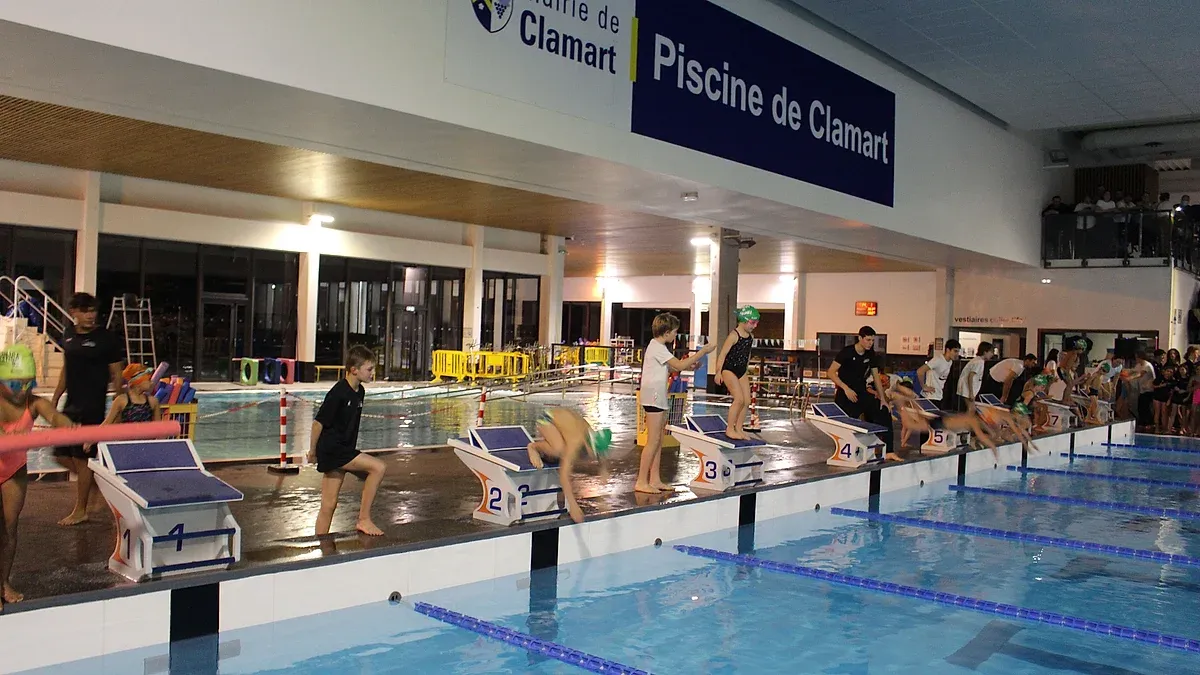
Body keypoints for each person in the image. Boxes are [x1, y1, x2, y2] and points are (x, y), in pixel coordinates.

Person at [0, 345, 75, 611]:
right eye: (14, 383)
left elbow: (54, 415)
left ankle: (4, 582)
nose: (22, 390)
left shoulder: (34, 402)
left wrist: (70, 428)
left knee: (9, 529)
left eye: (28, 383)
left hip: (14, 470)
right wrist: (10, 437)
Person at [51, 292, 123, 526]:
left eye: (93, 310)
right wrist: (54, 399)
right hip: (71, 404)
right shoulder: (68, 334)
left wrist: (119, 404)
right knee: (60, 455)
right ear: (73, 312)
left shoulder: (106, 338)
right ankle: (96, 483)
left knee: (82, 461)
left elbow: (117, 374)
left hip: (92, 407)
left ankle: (80, 510)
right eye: (85, 311)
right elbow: (66, 369)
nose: (91, 315)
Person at [306, 345, 386, 537]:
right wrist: (312, 452)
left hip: (342, 449)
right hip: (333, 449)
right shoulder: (338, 393)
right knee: (378, 468)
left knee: (329, 504)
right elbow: (318, 424)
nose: (373, 373)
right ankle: (364, 519)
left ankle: (319, 543)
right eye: (369, 369)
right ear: (354, 370)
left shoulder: (359, 392)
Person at [637, 313, 715, 494]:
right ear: (665, 332)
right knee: (653, 441)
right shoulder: (657, 347)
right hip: (654, 397)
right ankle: (641, 480)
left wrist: (691, 366)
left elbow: (672, 367)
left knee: (658, 440)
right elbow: (678, 366)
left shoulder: (657, 347)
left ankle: (654, 479)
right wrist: (702, 352)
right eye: (674, 332)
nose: (675, 336)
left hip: (657, 397)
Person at [526, 407, 612, 523]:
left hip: (564, 420)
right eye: (593, 452)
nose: (594, 456)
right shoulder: (575, 442)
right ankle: (533, 447)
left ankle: (550, 447)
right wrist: (573, 506)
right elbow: (564, 474)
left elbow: (601, 453)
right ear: (588, 445)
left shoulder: (591, 435)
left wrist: (603, 469)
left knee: (565, 452)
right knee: (558, 450)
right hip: (547, 419)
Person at [714, 306, 758, 440]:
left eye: (756, 323)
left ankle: (739, 428)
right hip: (728, 370)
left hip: (741, 371)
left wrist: (747, 368)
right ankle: (729, 429)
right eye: (752, 322)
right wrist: (718, 373)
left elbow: (747, 354)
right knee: (738, 399)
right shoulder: (733, 336)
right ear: (743, 320)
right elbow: (722, 355)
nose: (754, 326)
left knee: (746, 401)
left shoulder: (750, 336)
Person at [917, 339, 960, 411]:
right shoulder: (937, 360)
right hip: (930, 397)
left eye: (958, 351)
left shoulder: (950, 362)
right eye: (955, 351)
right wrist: (924, 386)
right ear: (948, 350)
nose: (957, 354)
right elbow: (920, 371)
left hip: (938, 396)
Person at [957, 342, 994, 410]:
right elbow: (970, 376)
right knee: (971, 409)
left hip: (968, 388)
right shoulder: (979, 362)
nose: (992, 354)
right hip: (967, 389)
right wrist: (971, 393)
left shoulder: (978, 360)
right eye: (991, 352)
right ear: (985, 352)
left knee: (972, 409)